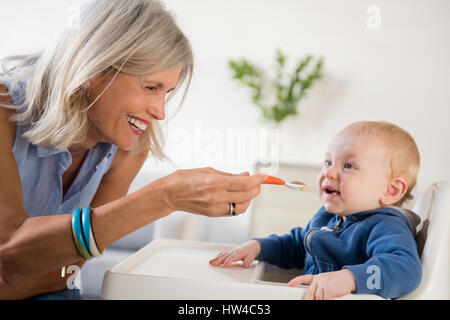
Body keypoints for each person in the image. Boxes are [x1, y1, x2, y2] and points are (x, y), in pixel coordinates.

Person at [0, 0, 267, 299]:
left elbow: (70, 266)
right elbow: (9, 258)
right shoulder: (2, 111)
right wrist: (164, 196)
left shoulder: (130, 144)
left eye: (168, 92)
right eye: (151, 87)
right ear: (93, 68)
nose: (160, 111)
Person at [210, 121, 422, 300]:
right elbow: (298, 245)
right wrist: (258, 246)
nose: (329, 172)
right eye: (328, 162)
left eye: (348, 166)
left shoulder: (386, 227)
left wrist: (350, 279)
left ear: (391, 190)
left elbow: (405, 269)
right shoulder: (329, 217)